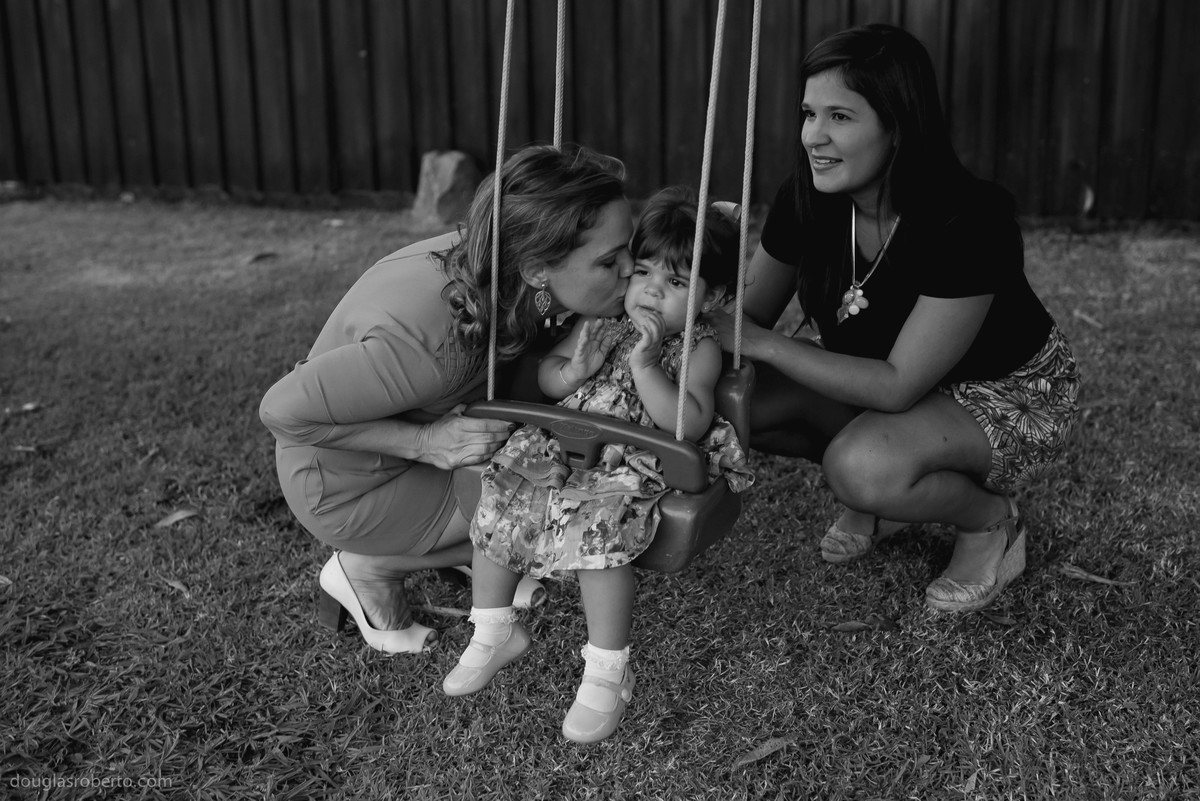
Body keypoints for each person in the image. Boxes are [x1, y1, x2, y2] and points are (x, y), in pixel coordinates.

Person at [706, 23, 1079, 613]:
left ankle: (989, 522)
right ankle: (890, 486)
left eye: (841, 117)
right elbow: (744, 316)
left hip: (1005, 391)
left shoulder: (968, 222)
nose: (813, 137)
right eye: (809, 113)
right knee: (729, 400)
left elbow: (899, 384)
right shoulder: (808, 196)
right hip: (882, 379)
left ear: (898, 125)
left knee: (862, 468)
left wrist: (767, 346)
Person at [259, 145, 637, 654]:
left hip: (396, 447)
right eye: (610, 261)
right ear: (537, 269)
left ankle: (463, 550)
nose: (632, 269)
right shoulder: (432, 350)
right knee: (544, 510)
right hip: (345, 483)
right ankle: (366, 568)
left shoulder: (495, 259)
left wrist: (561, 373)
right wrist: (425, 442)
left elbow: (496, 375)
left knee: (531, 502)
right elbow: (281, 410)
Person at [441, 187, 754, 743]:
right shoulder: (602, 320)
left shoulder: (697, 346)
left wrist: (646, 364)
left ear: (714, 296)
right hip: (565, 441)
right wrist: (572, 371)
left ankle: (608, 671)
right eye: (644, 272)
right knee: (505, 488)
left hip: (633, 457)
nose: (652, 292)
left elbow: (687, 422)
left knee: (597, 533)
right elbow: (550, 380)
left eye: (677, 283)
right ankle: (492, 629)